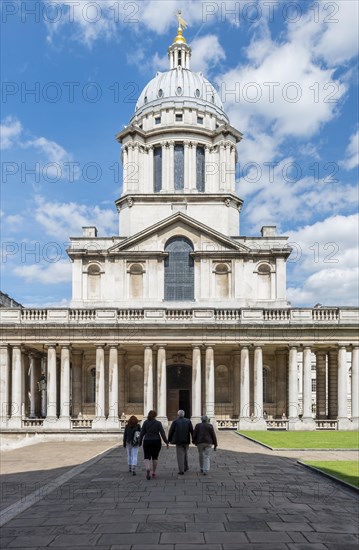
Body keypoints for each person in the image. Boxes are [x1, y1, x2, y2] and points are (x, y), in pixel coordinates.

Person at [139, 410, 169, 479]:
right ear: (155, 415)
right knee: (155, 457)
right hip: (156, 441)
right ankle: (153, 472)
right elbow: (162, 433)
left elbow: (142, 433)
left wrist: (140, 442)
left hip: (147, 441)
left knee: (147, 457)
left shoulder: (145, 423)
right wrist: (166, 442)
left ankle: (147, 468)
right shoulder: (158, 423)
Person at [168, 410, 194, 475]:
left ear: (178, 415)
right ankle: (186, 467)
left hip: (178, 441)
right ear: (184, 414)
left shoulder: (175, 421)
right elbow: (192, 431)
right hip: (186, 440)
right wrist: (194, 439)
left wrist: (169, 440)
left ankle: (181, 470)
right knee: (185, 454)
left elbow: (171, 431)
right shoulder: (188, 421)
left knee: (180, 456)